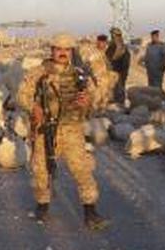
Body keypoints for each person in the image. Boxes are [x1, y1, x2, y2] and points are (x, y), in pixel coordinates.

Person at [17, 33, 109, 231]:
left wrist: (88, 103)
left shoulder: (80, 75)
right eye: (59, 49)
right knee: (41, 170)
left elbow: (94, 104)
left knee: (82, 170)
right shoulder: (38, 73)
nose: (62, 53)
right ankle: (42, 203)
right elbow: (22, 95)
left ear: (71, 51)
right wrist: (34, 107)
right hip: (45, 130)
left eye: (66, 50)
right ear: (52, 50)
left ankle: (90, 210)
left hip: (72, 130)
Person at [105, 27, 130, 105]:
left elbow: (122, 60)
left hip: (118, 71)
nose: (112, 36)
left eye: (113, 34)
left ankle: (120, 104)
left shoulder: (121, 47)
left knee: (119, 89)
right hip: (113, 71)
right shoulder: (113, 45)